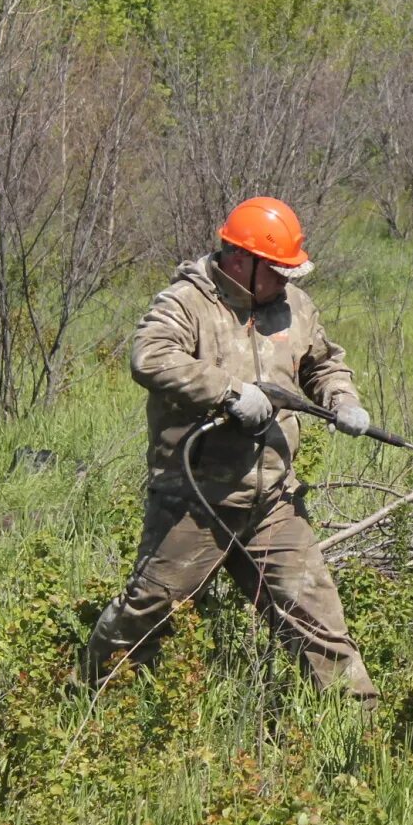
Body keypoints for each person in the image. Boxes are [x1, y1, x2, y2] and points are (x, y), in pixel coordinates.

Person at [82, 196, 376, 702]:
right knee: (149, 612)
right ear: (242, 259)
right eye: (279, 270)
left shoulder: (294, 306)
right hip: (196, 501)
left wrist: (342, 398)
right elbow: (150, 357)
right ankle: (87, 702)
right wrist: (230, 391)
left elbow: (323, 363)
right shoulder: (187, 302)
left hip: (273, 504)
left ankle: (361, 732)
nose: (287, 281)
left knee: (320, 624)